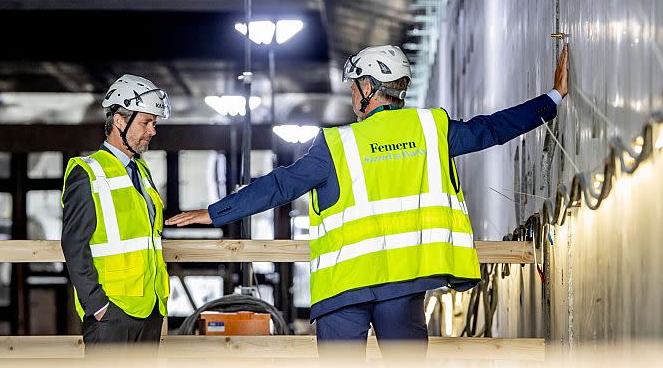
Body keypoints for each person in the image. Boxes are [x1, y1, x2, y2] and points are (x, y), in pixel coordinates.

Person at [167, 44, 570, 358]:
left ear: (368, 88)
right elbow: (492, 129)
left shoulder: (336, 145)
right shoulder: (431, 129)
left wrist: (215, 212)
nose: (350, 94)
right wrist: (551, 99)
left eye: (353, 85)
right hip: (404, 283)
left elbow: (279, 185)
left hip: (345, 289)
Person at [61, 74, 171, 347]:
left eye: (154, 123)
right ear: (120, 121)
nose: (152, 130)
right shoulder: (88, 172)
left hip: (150, 308)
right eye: (146, 122)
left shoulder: (142, 171)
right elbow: (75, 245)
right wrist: (97, 305)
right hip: (112, 312)